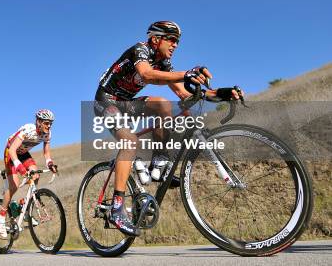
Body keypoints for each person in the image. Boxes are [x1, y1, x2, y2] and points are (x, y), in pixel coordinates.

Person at [95, 20, 242, 236]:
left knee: (163, 104)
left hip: (126, 102)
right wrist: (187, 73)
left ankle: (160, 163)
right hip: (106, 101)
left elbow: (184, 93)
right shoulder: (140, 49)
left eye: (177, 42)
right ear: (156, 39)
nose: (175, 46)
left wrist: (221, 93)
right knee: (130, 142)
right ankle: (117, 207)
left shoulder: (163, 63)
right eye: (171, 40)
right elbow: (146, 74)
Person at [0, 109, 58, 238]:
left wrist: (50, 164)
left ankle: (23, 205)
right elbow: (12, 150)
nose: (49, 126)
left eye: (51, 123)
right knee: (14, 185)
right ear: (38, 122)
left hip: (23, 154)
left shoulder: (47, 134)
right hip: (11, 152)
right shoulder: (28, 130)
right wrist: (19, 167)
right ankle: (1, 218)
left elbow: (46, 153)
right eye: (46, 123)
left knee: (35, 175)